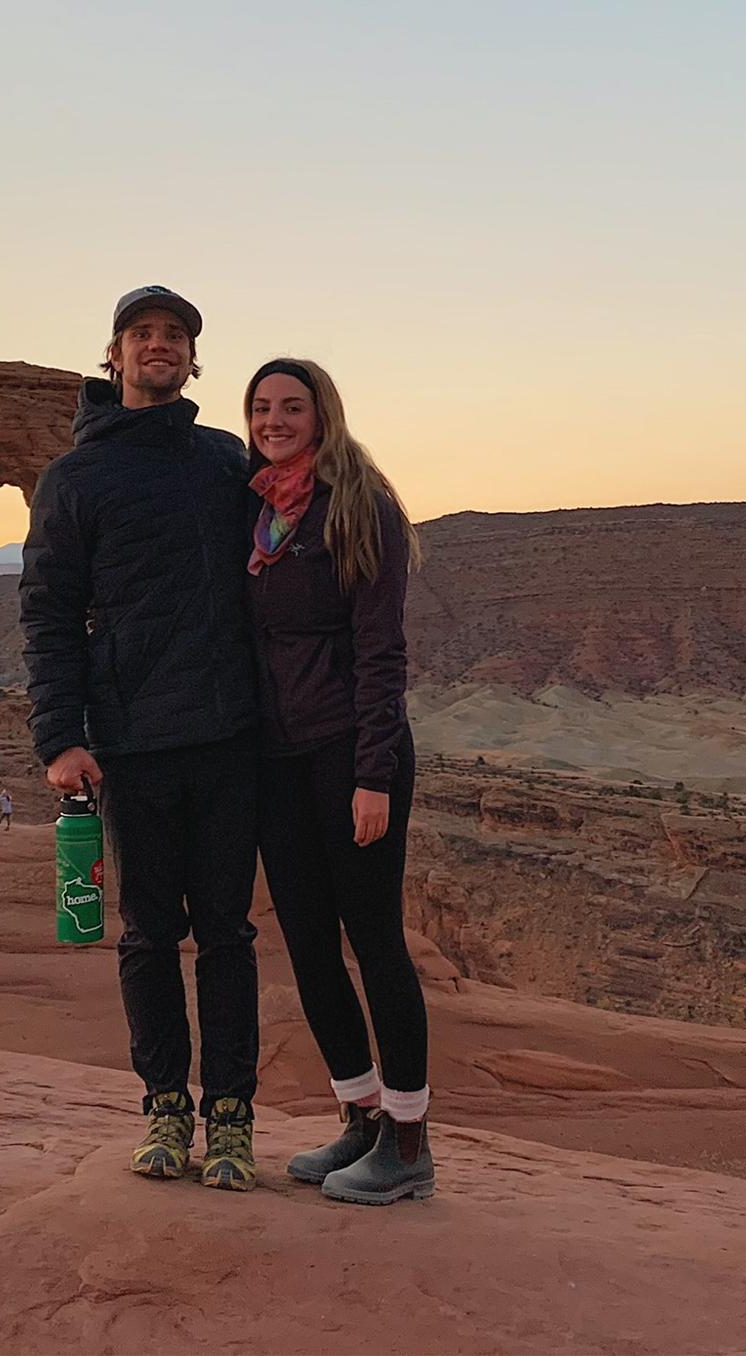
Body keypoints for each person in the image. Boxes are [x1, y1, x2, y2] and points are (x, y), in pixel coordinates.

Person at [19, 286, 263, 1191]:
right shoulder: (76, 478)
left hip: (231, 735)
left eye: (175, 336)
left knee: (229, 934)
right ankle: (165, 1106)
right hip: (133, 740)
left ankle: (231, 1117)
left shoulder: (221, 460)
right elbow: (46, 613)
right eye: (142, 334)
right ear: (114, 355)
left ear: (194, 360)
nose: (159, 346)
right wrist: (60, 736)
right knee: (149, 935)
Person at [243, 356, 433, 1204]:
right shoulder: (259, 511)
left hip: (352, 756)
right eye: (262, 407)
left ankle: (408, 1143)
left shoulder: (362, 507)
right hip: (278, 761)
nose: (275, 419)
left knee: (376, 940)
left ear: (323, 413)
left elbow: (382, 653)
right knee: (311, 946)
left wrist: (373, 775)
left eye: (291, 406)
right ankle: (357, 1117)